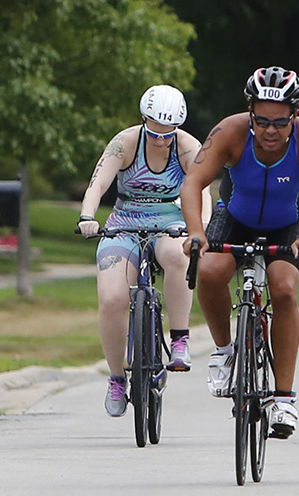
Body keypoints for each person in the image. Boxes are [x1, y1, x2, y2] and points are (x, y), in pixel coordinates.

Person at [180, 66, 299, 438]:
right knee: (208, 270)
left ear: (295, 116)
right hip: (235, 216)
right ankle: (224, 350)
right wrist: (195, 232)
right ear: (250, 113)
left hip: (289, 222)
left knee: (284, 287)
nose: (270, 131)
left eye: (280, 122)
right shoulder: (231, 131)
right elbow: (193, 182)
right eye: (262, 121)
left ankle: (283, 399)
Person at [77, 85, 212, 417]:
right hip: (125, 219)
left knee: (179, 256)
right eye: (154, 132)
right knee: (111, 299)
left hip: (170, 219)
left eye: (169, 134)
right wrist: (87, 217)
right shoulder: (125, 142)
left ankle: (179, 338)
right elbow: (98, 182)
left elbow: (201, 189)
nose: (161, 140)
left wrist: (199, 230)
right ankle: (117, 377)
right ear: (143, 120)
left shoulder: (188, 147)